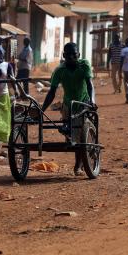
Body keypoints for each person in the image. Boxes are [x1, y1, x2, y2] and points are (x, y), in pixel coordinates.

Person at [41, 43, 96, 176]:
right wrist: (41, 109)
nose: (71, 57)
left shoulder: (84, 66)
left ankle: (78, 166)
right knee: (70, 136)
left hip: (83, 103)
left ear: (79, 55)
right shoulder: (60, 70)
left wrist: (92, 101)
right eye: (68, 55)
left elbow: (90, 85)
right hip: (68, 105)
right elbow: (52, 92)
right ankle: (79, 159)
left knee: (78, 136)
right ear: (64, 55)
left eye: (74, 54)